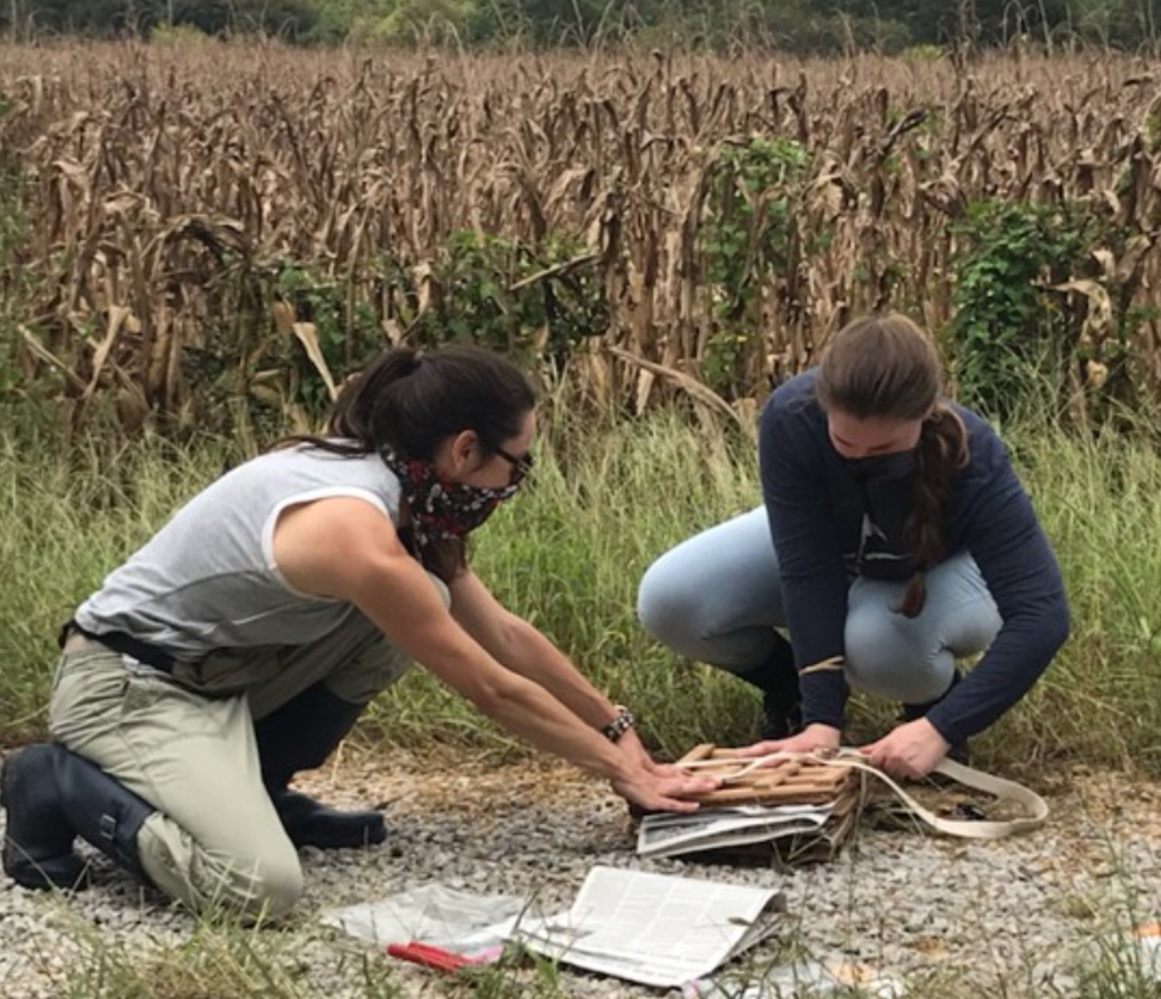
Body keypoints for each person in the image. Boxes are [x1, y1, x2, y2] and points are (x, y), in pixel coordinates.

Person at [1, 345, 715, 917]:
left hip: (218, 671)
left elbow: (501, 631)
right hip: (127, 684)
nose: (515, 479)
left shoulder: (402, 497)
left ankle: (256, 786)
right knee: (256, 886)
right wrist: (621, 772)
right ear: (464, 450)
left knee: (416, 604)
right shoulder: (355, 528)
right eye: (516, 461)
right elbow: (491, 686)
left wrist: (617, 725)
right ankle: (55, 782)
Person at [638, 313, 1069, 780]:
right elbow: (807, 571)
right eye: (843, 441)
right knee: (670, 599)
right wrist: (820, 719)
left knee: (877, 645)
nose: (857, 456)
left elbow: (1041, 615)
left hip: (939, 567)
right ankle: (793, 693)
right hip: (837, 554)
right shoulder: (791, 417)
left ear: (924, 414)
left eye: (881, 450)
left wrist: (942, 726)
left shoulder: (975, 455)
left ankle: (928, 703)